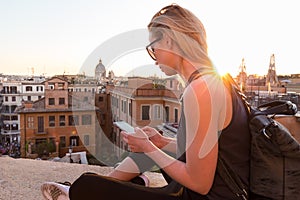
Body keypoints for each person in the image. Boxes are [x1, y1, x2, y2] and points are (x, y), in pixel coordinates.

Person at [41, 4, 250, 200]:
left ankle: (79, 194)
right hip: (222, 189)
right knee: (145, 152)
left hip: (207, 196)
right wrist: (158, 143)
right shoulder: (216, 81)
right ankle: (127, 182)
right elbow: (200, 151)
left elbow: (200, 182)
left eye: (153, 47)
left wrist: (149, 148)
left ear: (169, 40)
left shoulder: (200, 90)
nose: (154, 56)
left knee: (88, 185)